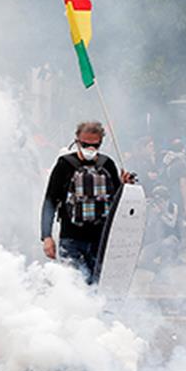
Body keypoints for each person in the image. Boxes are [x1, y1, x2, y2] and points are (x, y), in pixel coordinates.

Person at [41, 121, 134, 283]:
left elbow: (117, 203)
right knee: (73, 286)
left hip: (101, 239)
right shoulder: (64, 165)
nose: (90, 149)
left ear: (100, 142)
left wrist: (126, 186)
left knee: (98, 286)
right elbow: (50, 200)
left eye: (95, 145)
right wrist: (46, 236)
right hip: (71, 238)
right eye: (85, 144)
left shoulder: (108, 164)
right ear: (77, 140)